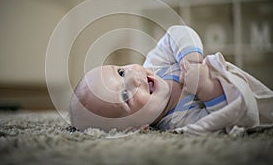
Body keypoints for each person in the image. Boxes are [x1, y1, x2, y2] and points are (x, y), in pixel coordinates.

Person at [69, 25, 273, 135]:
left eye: (121, 72)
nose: (133, 79)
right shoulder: (178, 121)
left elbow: (176, 33)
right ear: (137, 129)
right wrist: (207, 88)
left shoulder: (155, 64)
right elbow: (228, 119)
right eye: (125, 95)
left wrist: (189, 57)